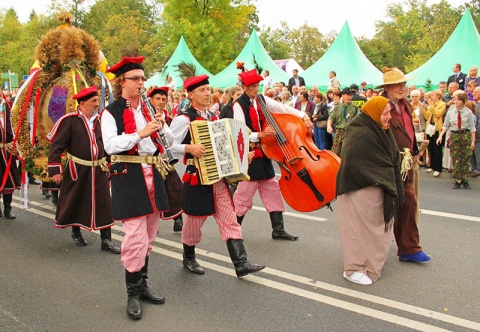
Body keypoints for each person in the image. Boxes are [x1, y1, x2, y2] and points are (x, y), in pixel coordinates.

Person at [169, 74, 265, 278]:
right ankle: (189, 257)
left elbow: (226, 145)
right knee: (194, 222)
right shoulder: (183, 119)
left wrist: (241, 154)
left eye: (208, 89)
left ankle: (241, 263)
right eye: (202, 90)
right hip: (197, 178)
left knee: (230, 219)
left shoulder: (214, 117)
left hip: (218, 178)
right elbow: (167, 148)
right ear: (191, 94)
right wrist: (188, 147)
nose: (207, 93)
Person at [101, 56, 172, 320]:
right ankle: (131, 293)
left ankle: (142, 286)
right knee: (135, 238)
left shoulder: (147, 109)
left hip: (152, 172)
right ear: (122, 82)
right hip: (128, 175)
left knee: (150, 236)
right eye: (136, 79)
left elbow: (168, 142)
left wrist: (162, 127)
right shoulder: (110, 112)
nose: (141, 83)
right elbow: (110, 145)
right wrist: (140, 134)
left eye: (143, 79)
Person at [233, 69, 313, 241]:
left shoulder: (261, 99)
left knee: (272, 189)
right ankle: (233, 228)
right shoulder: (238, 105)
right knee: (244, 194)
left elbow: (282, 108)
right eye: (253, 86)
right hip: (250, 153)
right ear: (245, 87)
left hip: (265, 153)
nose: (256, 89)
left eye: (258, 86)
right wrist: (259, 135)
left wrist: (303, 116)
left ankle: (278, 229)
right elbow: (238, 132)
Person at [337, 96, 404, 285]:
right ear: (374, 113)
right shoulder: (359, 131)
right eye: (384, 113)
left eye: (389, 112)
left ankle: (369, 264)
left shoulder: (380, 129)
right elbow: (355, 161)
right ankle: (354, 268)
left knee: (375, 230)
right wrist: (384, 171)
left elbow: (389, 158)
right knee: (357, 231)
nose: (388, 117)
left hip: (376, 188)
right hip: (358, 188)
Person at [378, 67, 430, 263]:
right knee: (383, 207)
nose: (402, 88)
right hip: (388, 164)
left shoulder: (405, 105)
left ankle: (409, 248)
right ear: (388, 87)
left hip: (407, 163)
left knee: (408, 202)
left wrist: (415, 150)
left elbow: (408, 131)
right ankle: (371, 250)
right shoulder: (380, 105)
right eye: (397, 85)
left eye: (403, 84)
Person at [147, 86, 183, 232]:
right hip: (150, 162)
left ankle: (177, 218)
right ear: (150, 100)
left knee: (175, 189)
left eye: (164, 99)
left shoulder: (168, 119)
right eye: (158, 99)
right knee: (153, 194)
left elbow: (172, 141)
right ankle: (152, 223)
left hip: (165, 161)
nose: (161, 102)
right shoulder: (144, 116)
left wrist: (163, 125)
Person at [437, 91, 476, 189]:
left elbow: (472, 128)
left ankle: (465, 180)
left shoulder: (468, 112)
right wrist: (440, 136)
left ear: (463, 101)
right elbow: (446, 126)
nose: (455, 101)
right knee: (456, 159)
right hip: (455, 135)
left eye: (458, 99)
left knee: (465, 159)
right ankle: (457, 180)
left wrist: (472, 141)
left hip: (465, 135)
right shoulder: (450, 113)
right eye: (454, 99)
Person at [0, 91, 21, 219]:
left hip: (8, 153)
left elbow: (13, 128)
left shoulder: (8, 108)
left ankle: (8, 208)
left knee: (9, 181)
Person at [327, 87, 359, 156]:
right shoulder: (338, 107)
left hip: (349, 132)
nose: (349, 97)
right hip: (339, 132)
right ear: (343, 95)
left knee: (347, 153)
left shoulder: (355, 108)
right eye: (347, 95)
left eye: (351, 95)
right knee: (335, 153)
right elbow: (331, 117)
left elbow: (358, 121)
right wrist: (329, 126)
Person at [422, 89, 446, 177]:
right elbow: (427, 116)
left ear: (438, 96)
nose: (431, 97)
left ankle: (438, 168)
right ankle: (432, 166)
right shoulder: (431, 104)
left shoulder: (442, 104)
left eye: (433, 95)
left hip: (437, 128)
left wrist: (431, 105)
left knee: (437, 148)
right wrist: (424, 109)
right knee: (431, 147)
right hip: (430, 128)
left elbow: (437, 114)